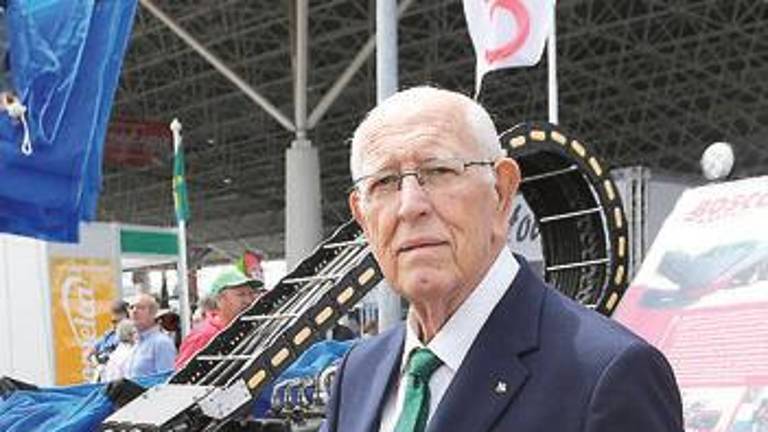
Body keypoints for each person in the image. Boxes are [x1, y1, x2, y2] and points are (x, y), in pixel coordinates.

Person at [320, 86, 683, 432]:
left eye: (439, 171)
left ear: (502, 191)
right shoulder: (358, 373)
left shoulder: (608, 374)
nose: (410, 205)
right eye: (384, 182)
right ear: (362, 218)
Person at [174, 267, 266, 369]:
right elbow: (179, 377)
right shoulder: (204, 335)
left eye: (251, 294)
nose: (249, 301)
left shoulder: (248, 330)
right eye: (241, 295)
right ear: (220, 299)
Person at [125, 293, 176, 378]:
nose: (134, 311)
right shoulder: (136, 344)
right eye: (131, 307)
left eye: (140, 308)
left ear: (153, 313)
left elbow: (166, 381)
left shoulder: (161, 343)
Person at [87, 300, 129, 366]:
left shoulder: (131, 336)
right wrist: (95, 361)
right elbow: (89, 353)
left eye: (120, 322)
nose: (117, 325)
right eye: (114, 322)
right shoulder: (108, 335)